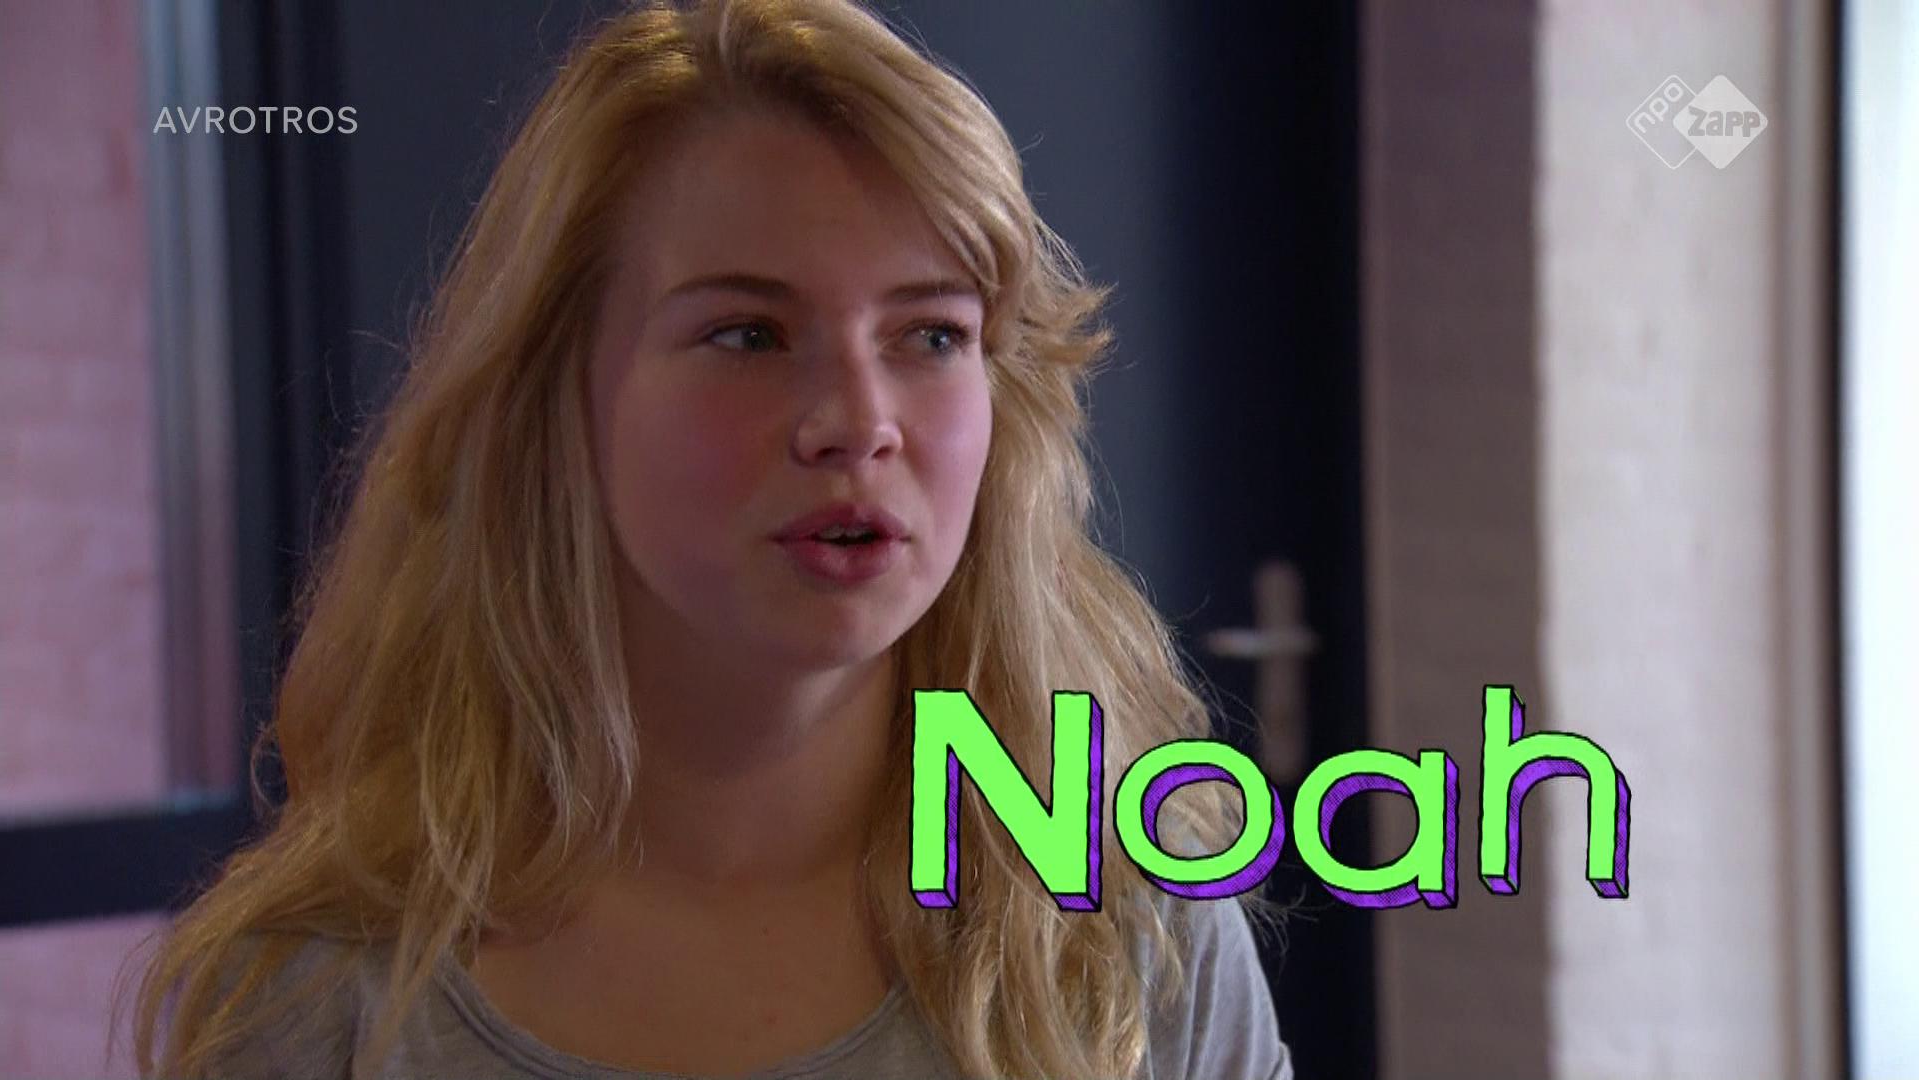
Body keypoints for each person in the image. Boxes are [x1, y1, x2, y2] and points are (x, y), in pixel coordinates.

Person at [116, 1, 1296, 1077]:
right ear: (559, 394)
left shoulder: (1125, 927)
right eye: (748, 335)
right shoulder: (324, 998)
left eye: (931, 336)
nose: (857, 424)